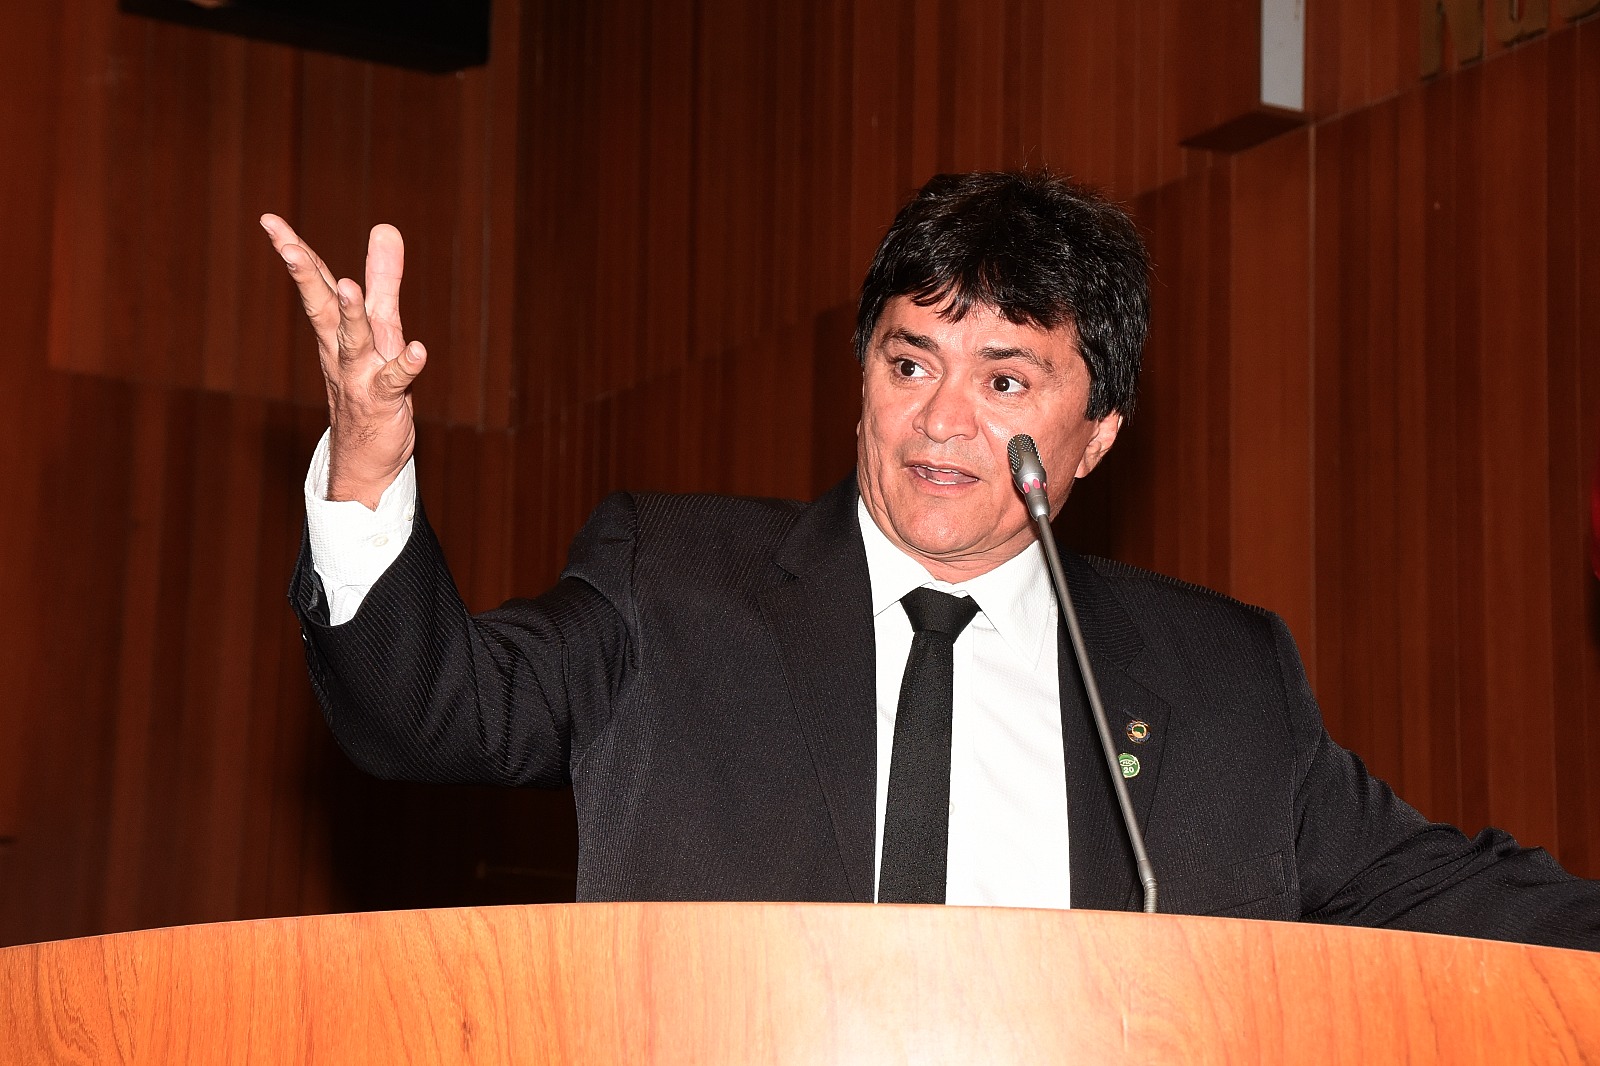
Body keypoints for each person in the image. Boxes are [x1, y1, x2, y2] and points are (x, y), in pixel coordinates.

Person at [262, 171, 1600, 946]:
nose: (941, 420)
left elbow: (1440, 890)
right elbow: (424, 709)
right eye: (911, 364)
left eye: (1005, 380)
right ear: (862, 382)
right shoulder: (671, 585)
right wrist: (369, 456)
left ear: (1096, 435)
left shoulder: (1219, 677)